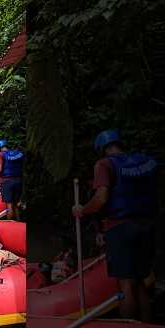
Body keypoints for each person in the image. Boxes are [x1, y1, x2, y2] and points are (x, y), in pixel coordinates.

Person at [72, 129, 158, 322]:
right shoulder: (143, 162)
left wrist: (82, 210)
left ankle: (127, 324)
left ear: (101, 149)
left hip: (121, 229)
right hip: (146, 226)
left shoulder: (104, 164)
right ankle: (146, 323)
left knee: (125, 283)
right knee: (141, 280)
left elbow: (101, 198)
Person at [0, 139, 24, 220]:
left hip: (7, 182)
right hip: (18, 181)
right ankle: (18, 224)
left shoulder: (0, 155)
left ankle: (10, 226)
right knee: (16, 204)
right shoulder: (17, 154)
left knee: (9, 205)